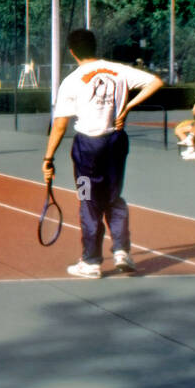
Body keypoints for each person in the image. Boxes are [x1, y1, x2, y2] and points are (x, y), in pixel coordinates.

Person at [43, 29, 164, 279]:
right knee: (113, 197)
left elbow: (60, 125)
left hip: (88, 149)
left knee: (88, 200)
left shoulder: (72, 81)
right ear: (95, 46)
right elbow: (156, 82)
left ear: (72, 51)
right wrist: (127, 106)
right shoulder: (120, 71)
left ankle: (91, 262)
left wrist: (48, 158)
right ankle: (121, 251)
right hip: (116, 143)